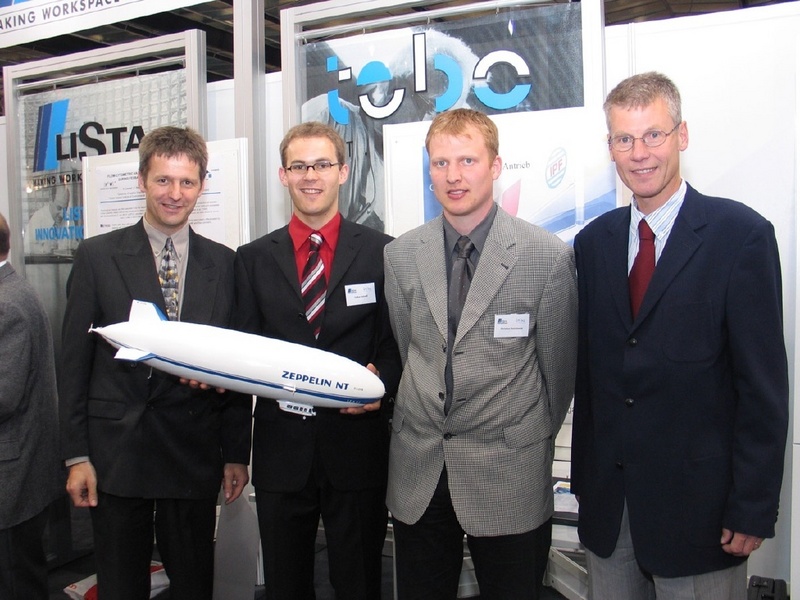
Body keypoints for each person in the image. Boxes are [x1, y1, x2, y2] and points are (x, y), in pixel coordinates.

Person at [571, 71, 789, 599]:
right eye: (625, 138)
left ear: (682, 136)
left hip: (702, 517)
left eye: (654, 135)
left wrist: (753, 505)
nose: (640, 152)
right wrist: (584, 487)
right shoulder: (592, 245)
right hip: (612, 516)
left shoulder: (741, 237)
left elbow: (762, 388)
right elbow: (592, 378)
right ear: (611, 148)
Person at [383, 108, 578, 599]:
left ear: (495, 166)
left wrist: (523, 435)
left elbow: (559, 374)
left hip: (508, 470)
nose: (453, 175)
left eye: (467, 160)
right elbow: (412, 351)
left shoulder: (546, 256)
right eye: (440, 163)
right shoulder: (401, 255)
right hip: (421, 469)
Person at [59, 126, 252, 600]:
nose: (175, 194)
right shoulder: (97, 257)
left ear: (202, 186)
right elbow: (72, 363)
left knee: (192, 585)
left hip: (192, 452)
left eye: (186, 182)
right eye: (163, 180)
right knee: (121, 586)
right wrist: (77, 456)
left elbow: (236, 362)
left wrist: (234, 453)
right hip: (115, 457)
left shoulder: (225, 265)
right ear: (142, 180)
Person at [235, 121, 401, 599]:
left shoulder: (381, 252)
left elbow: (394, 344)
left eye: (323, 164)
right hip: (281, 452)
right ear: (283, 175)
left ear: (344, 171)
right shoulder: (251, 260)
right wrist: (233, 451)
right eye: (299, 166)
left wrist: (381, 384)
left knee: (360, 581)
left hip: (357, 449)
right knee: (286, 585)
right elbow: (243, 352)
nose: (311, 176)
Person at [0, 212, 61, 599]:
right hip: (19, 471)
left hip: (11, 478)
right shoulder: (13, 291)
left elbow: (5, 395)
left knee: (16, 581)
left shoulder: (7, 305)